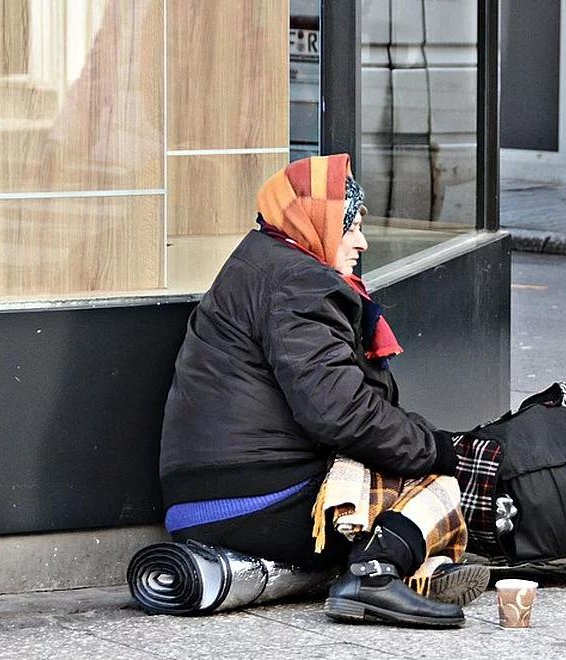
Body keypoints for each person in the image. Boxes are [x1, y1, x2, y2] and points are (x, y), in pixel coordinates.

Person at [158, 154, 488, 628]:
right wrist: (435, 448)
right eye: (350, 226)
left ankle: (420, 571)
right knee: (436, 486)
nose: (362, 242)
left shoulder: (264, 262)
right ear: (317, 222)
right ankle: (374, 577)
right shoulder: (299, 282)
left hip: (212, 495)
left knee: (396, 472)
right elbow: (341, 414)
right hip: (253, 502)